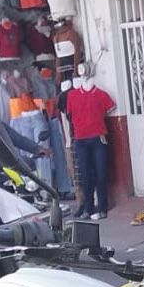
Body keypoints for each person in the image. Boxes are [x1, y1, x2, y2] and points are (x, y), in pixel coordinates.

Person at [61, 67, 114, 221]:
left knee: (100, 173)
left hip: (97, 138)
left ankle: (102, 207)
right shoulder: (72, 96)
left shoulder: (101, 95)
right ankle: (89, 207)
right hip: (82, 140)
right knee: (85, 175)